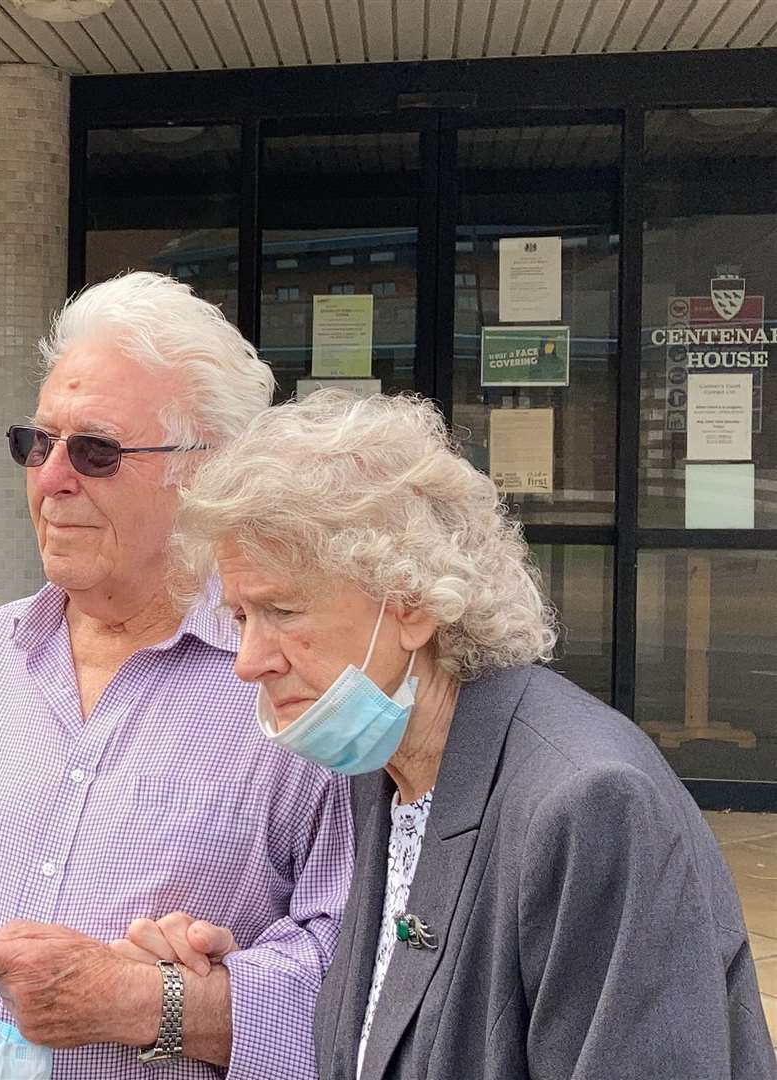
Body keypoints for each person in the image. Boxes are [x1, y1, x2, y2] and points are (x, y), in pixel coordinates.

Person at [131, 389, 774, 1079]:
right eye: (240, 619)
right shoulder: (389, 772)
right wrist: (224, 985)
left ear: (412, 604)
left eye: (282, 610)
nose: (250, 661)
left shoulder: (589, 803)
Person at [0, 271, 354, 1079]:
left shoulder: (287, 684)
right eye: (37, 443)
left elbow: (357, 978)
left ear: (211, 473)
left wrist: (143, 1002)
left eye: (96, 450)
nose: (52, 478)